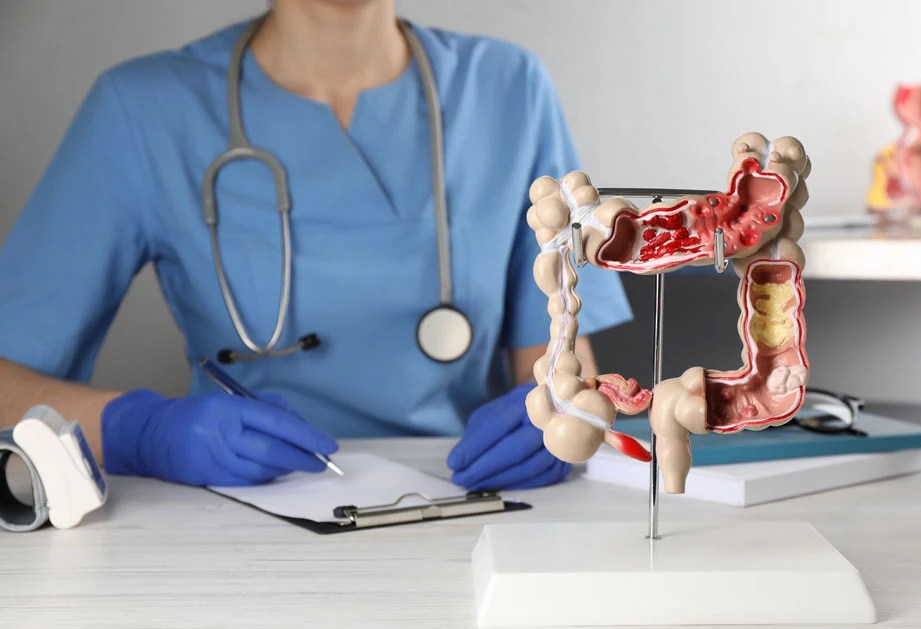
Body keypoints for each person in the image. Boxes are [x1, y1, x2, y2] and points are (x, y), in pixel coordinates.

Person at [0, 0, 631, 491]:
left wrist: (556, 417)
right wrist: (139, 433)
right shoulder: (142, 109)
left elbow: (565, 360)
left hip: (468, 502)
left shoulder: (509, 88)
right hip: (228, 518)